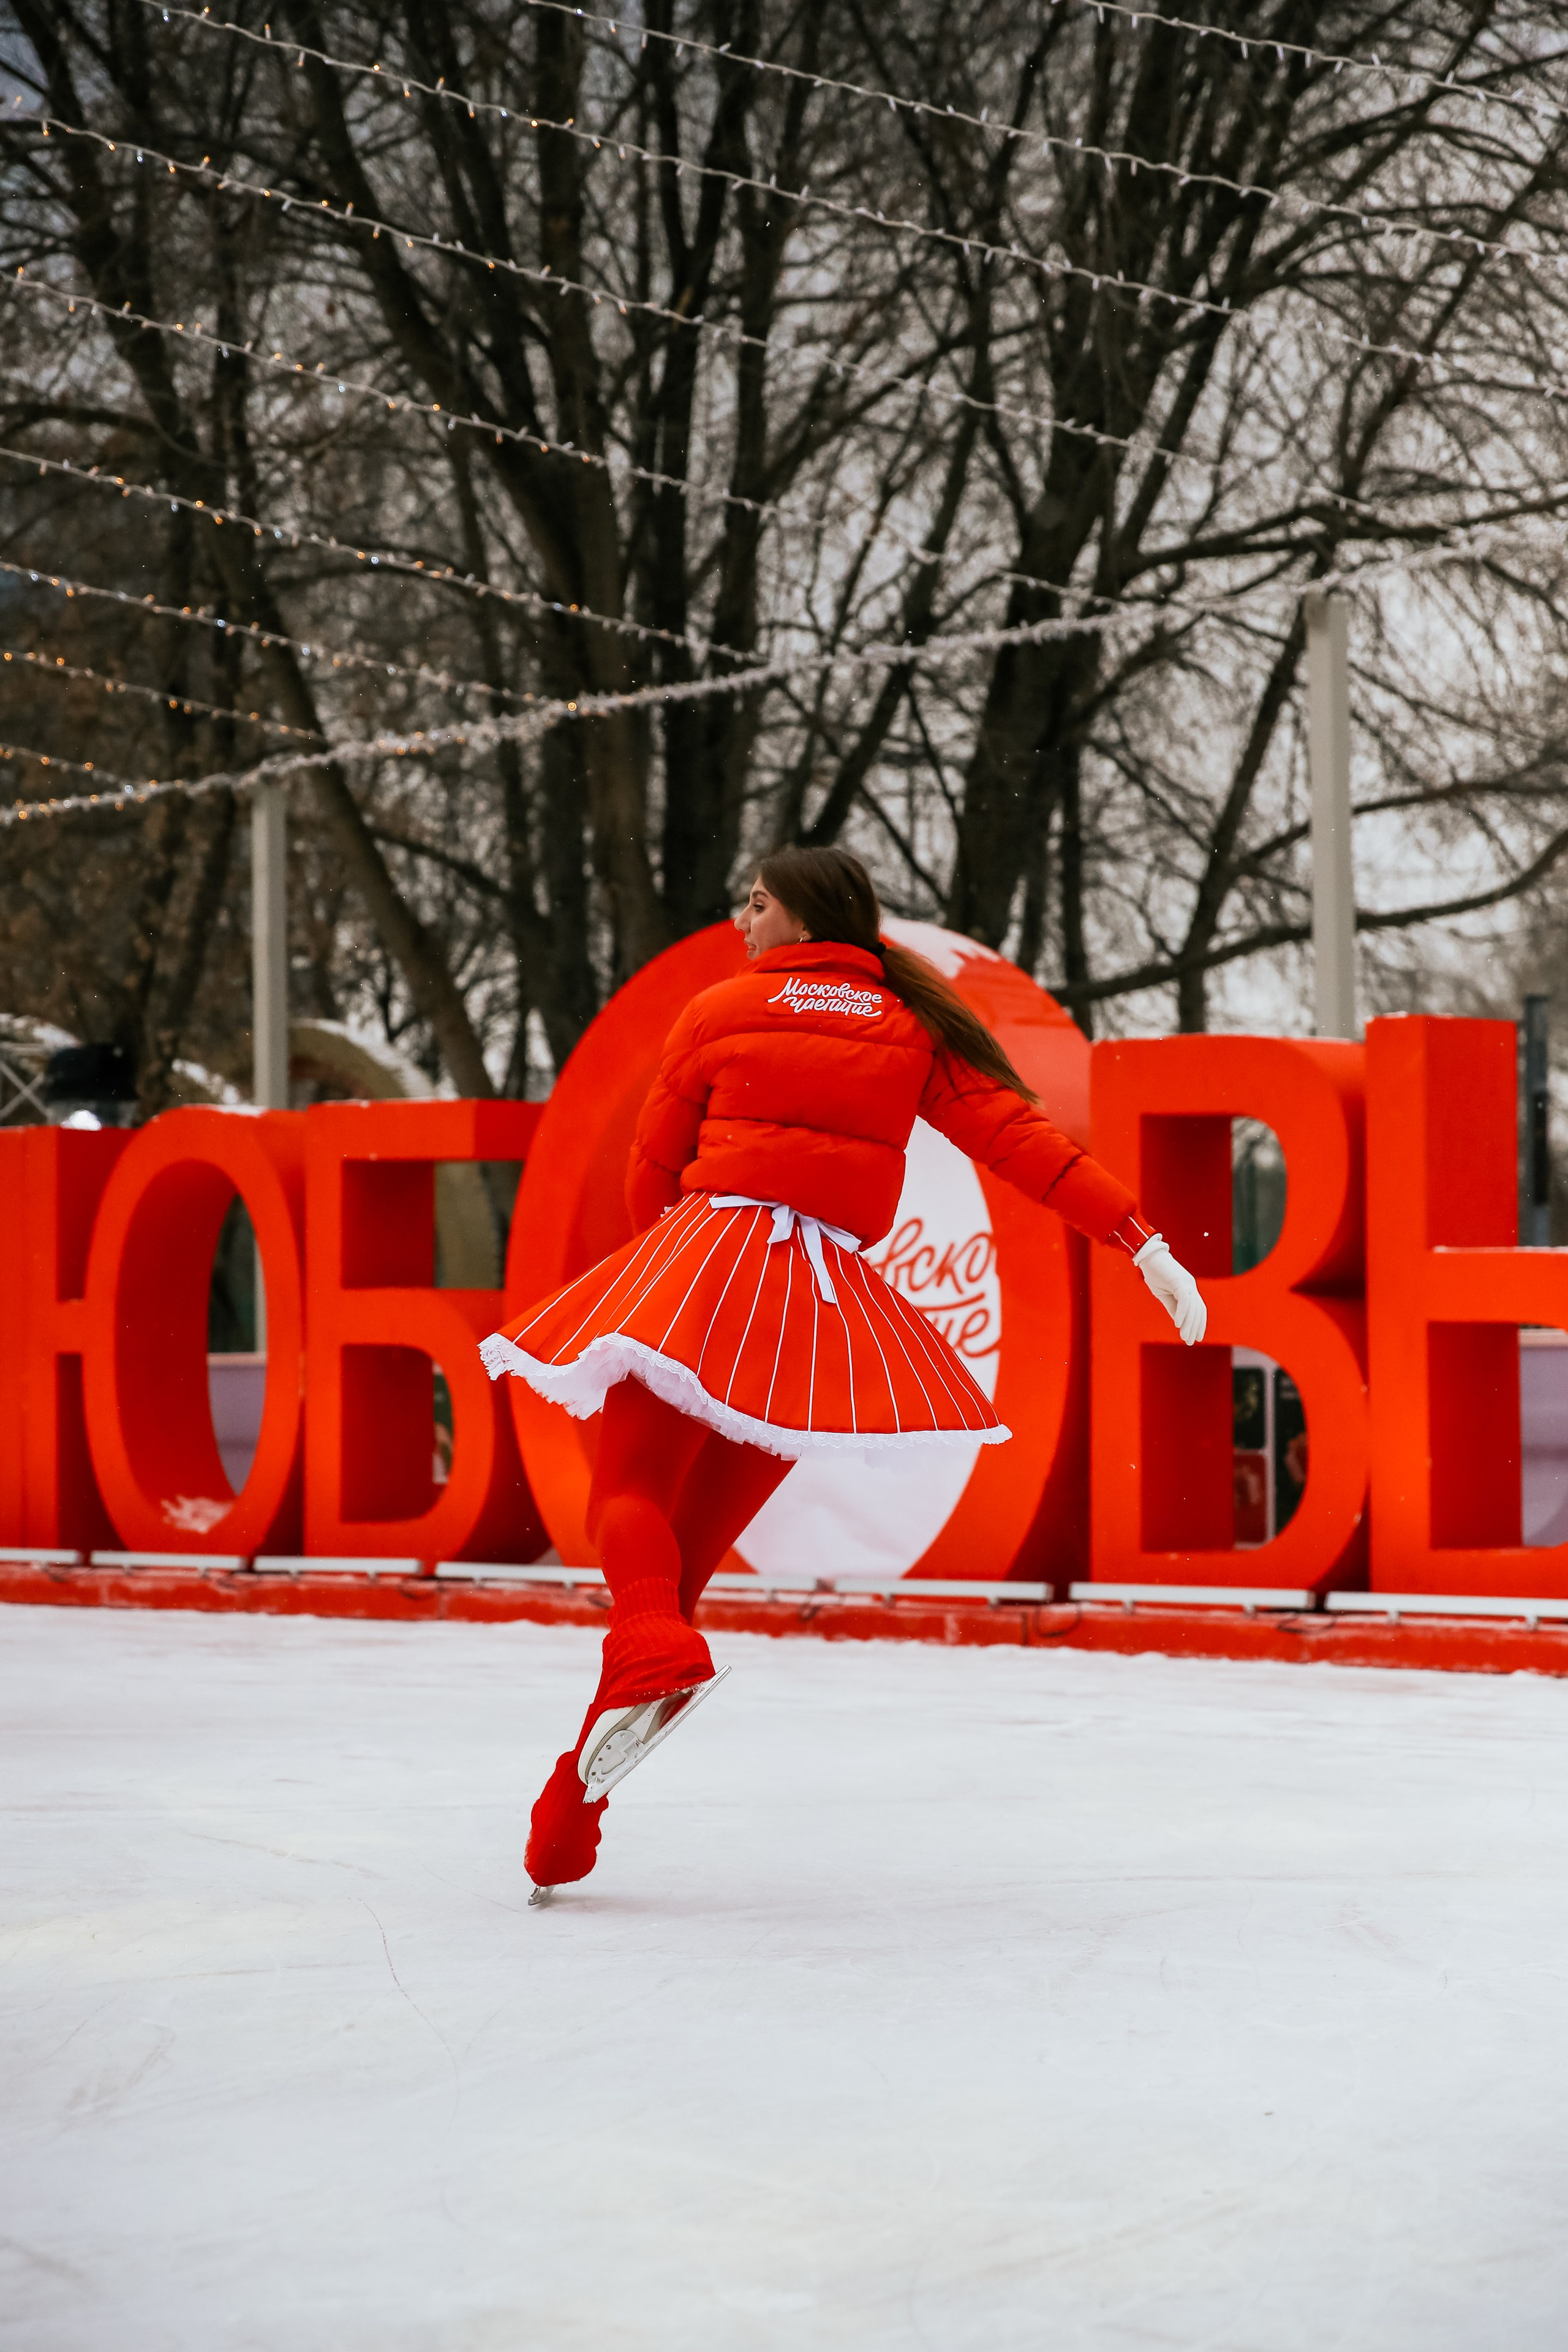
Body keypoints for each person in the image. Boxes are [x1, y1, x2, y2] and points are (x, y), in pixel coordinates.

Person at [480, 846, 1205, 1898]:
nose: (741, 918)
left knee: (627, 1504)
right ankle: (569, 1813)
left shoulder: (718, 1009)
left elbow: (653, 1166)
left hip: (706, 1259)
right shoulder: (914, 1026)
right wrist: (1140, 1239)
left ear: (808, 914)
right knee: (679, 1580)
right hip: (811, 1306)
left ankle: (632, 1681)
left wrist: (669, 1279)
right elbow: (1023, 1142)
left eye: (757, 901)